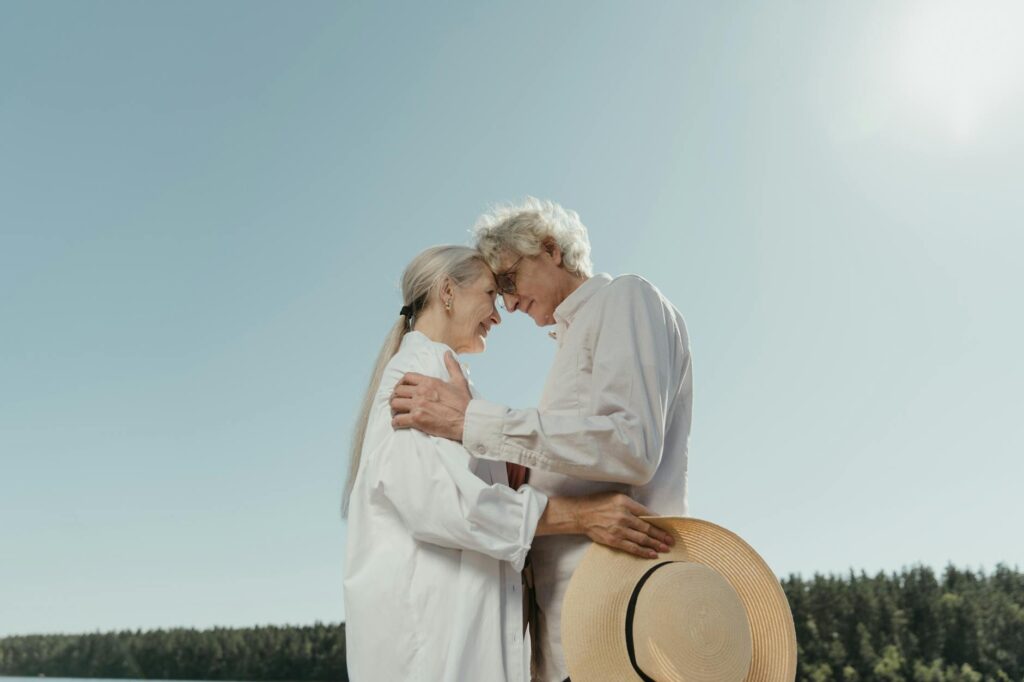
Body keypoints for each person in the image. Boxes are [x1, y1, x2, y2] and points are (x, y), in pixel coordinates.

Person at [390, 200, 693, 682]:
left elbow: (631, 444)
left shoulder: (625, 299)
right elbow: (581, 452)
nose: (508, 305)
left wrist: (474, 422)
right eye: (499, 291)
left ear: (551, 249)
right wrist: (518, 471)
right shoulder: (572, 341)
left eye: (509, 281)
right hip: (570, 633)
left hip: (620, 618)